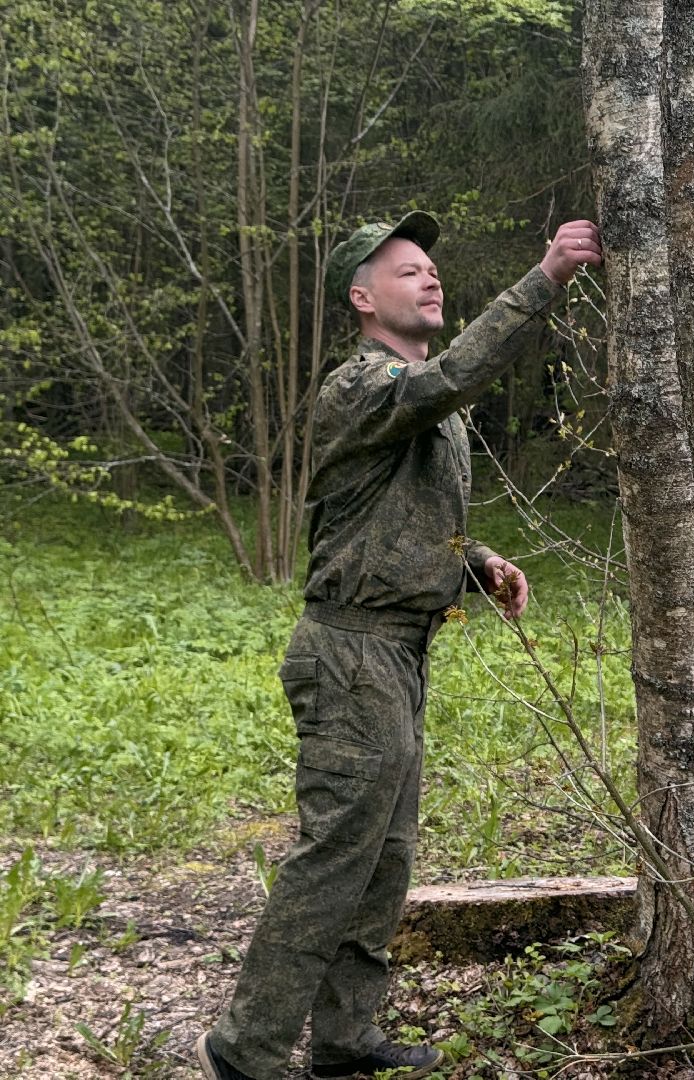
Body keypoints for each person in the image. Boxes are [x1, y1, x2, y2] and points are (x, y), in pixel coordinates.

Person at [197, 212, 602, 1080]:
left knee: (385, 861)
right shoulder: (361, 386)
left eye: (431, 268)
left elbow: (399, 525)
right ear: (362, 297)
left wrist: (480, 563)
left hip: (400, 655)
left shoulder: (424, 406)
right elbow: (452, 380)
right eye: (407, 270)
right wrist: (545, 280)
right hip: (349, 654)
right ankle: (247, 1047)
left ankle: (344, 1040)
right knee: (335, 857)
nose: (430, 279)